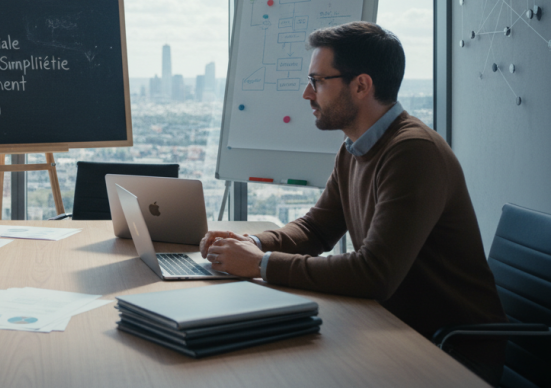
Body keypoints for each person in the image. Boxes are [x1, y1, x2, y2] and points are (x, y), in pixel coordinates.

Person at [200, 22, 506, 381]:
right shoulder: (356, 147)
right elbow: (316, 228)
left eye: (317, 81)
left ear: (361, 85)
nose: (306, 93)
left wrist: (261, 264)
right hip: (391, 326)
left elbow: (373, 274)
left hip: (448, 351)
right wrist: (249, 244)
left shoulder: (412, 152)